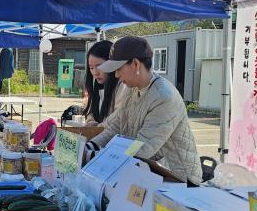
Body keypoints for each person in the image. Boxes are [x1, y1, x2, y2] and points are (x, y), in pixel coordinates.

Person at [87, 36, 202, 184]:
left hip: (179, 180)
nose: (116, 75)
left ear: (135, 64)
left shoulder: (164, 97)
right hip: (153, 173)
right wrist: (91, 146)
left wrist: (103, 160)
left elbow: (142, 147)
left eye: (119, 69)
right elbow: (116, 125)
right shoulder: (132, 89)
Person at [84, 40, 126, 125]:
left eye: (99, 66)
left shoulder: (123, 85)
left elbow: (118, 117)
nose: (95, 73)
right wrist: (91, 121)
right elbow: (90, 111)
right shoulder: (96, 84)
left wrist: (98, 127)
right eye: (91, 68)